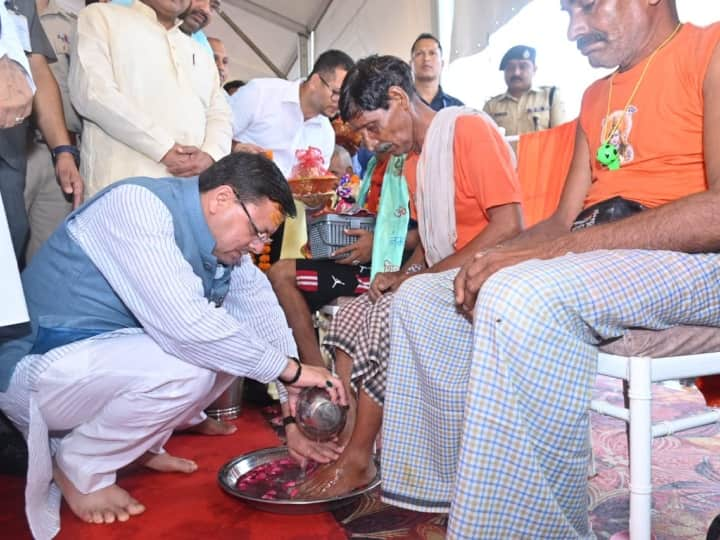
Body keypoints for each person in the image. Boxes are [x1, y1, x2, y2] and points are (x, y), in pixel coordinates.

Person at [380, 1, 720, 538]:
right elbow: (564, 220)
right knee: (422, 298)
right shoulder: (594, 96)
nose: (574, 28)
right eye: (567, 11)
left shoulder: (711, 50)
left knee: (520, 295)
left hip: (697, 261)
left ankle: (532, 529)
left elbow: (716, 213)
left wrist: (545, 257)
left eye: (587, 5)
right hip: (603, 251)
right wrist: (494, 256)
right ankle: (452, 499)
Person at [0, 152, 347, 538]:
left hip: (90, 368)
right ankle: (81, 467)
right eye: (257, 231)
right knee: (197, 359)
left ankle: (137, 444)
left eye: (265, 237)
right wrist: (293, 372)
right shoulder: (135, 207)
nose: (256, 246)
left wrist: (290, 410)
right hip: (35, 371)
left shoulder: (225, 248)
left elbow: (263, 318)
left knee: (234, 344)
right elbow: (187, 329)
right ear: (222, 200)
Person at [297, 54, 523, 498]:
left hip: (488, 273)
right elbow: (428, 241)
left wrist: (418, 280)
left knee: (394, 311)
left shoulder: (467, 130)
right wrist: (404, 272)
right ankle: (348, 441)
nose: (370, 141)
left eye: (372, 127)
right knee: (356, 310)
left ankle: (359, 458)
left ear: (398, 98)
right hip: (445, 276)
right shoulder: (414, 160)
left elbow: (508, 225)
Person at [70, 0, 231, 197]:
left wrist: (211, 155)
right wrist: (164, 149)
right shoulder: (101, 17)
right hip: (117, 189)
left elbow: (220, 113)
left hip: (185, 195)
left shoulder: (200, 53)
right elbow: (92, 92)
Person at [1, 0, 81, 261]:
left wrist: (63, 150)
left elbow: (38, 69)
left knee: (14, 244)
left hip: (10, 157)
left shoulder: (22, 5)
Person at [229, 48, 354, 178]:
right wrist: (236, 147)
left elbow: (313, 187)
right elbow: (213, 135)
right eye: (336, 93)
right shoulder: (261, 93)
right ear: (315, 81)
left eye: (344, 98)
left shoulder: (326, 134)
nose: (339, 102)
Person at [24, 0, 84, 263]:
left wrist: (66, 152)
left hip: (59, 154)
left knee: (46, 254)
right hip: (15, 144)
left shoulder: (73, 24)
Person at [483, 44, 568, 136]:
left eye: (523, 66)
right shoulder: (491, 106)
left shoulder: (549, 97)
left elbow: (562, 137)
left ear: (534, 69)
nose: (516, 72)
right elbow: (484, 142)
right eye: (511, 68)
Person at [410, 33, 463, 111]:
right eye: (419, 54)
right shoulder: (400, 105)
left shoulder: (457, 108)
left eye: (432, 53)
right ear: (411, 64)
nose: (426, 58)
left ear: (442, 64)